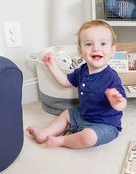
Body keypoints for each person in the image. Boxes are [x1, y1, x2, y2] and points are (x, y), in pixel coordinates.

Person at [27, 20, 127, 149]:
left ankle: (63, 140)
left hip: (105, 124)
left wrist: (116, 101)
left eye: (103, 43)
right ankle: (44, 133)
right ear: (80, 51)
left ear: (112, 50)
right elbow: (64, 82)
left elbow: (122, 104)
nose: (96, 48)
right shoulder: (82, 70)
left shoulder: (111, 77)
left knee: (88, 137)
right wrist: (51, 65)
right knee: (66, 114)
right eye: (89, 44)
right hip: (83, 115)